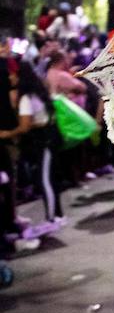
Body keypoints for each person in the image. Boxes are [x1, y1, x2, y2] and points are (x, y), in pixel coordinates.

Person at [0, 61, 66, 233]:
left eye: (12, 74)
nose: (10, 78)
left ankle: (52, 218)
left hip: (43, 141)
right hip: (51, 137)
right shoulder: (38, 93)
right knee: (50, 179)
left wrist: (6, 134)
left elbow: (24, 126)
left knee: (44, 180)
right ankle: (57, 215)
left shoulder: (26, 98)